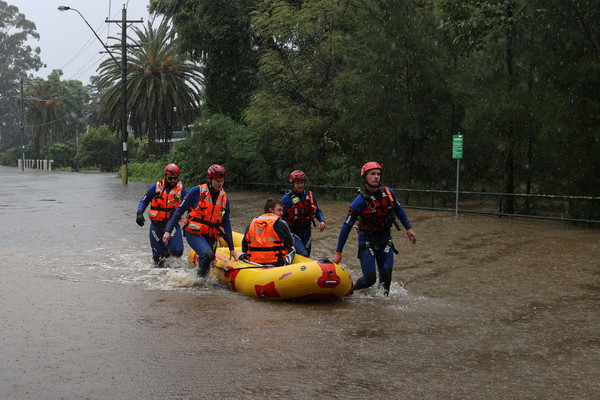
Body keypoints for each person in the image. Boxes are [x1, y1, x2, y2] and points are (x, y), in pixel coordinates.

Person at [332, 162, 417, 296]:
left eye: (378, 174)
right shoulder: (359, 201)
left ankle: (381, 311)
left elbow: (399, 209)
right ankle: (350, 292)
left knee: (386, 279)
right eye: (372, 174)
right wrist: (338, 252)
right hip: (366, 240)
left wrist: (409, 228)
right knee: (370, 279)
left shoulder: (389, 194)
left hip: (385, 239)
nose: (376, 177)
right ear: (365, 177)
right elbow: (346, 226)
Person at [162, 164, 238, 277]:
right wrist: (168, 231)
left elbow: (226, 223)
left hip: (211, 234)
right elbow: (179, 210)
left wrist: (231, 248)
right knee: (207, 255)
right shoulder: (196, 191)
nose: (220, 183)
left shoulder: (224, 198)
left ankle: (202, 282)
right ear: (210, 179)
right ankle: (198, 282)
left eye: (222, 181)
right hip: (193, 233)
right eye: (217, 180)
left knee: (210, 259)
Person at [136, 163, 188, 266]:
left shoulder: (182, 190)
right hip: (156, 226)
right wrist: (139, 213)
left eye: (175, 178)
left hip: (172, 226)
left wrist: (188, 223)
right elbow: (144, 201)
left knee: (177, 252)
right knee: (158, 259)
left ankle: (174, 275)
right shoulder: (155, 187)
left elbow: (192, 205)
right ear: (165, 176)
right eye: (170, 178)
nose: (173, 181)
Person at [280, 170, 326, 257]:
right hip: (293, 232)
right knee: (302, 253)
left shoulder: (310, 195)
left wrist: (322, 221)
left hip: (306, 231)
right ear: (293, 184)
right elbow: (280, 218)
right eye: (297, 183)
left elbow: (317, 210)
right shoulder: (286, 199)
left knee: (307, 256)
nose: (300, 185)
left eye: (302, 183)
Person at [240, 198, 295, 266]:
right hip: (276, 263)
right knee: (292, 248)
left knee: (240, 253)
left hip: (254, 262)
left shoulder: (251, 223)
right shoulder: (282, 223)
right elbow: (290, 243)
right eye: (279, 210)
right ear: (270, 210)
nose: (282, 213)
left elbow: (244, 247)